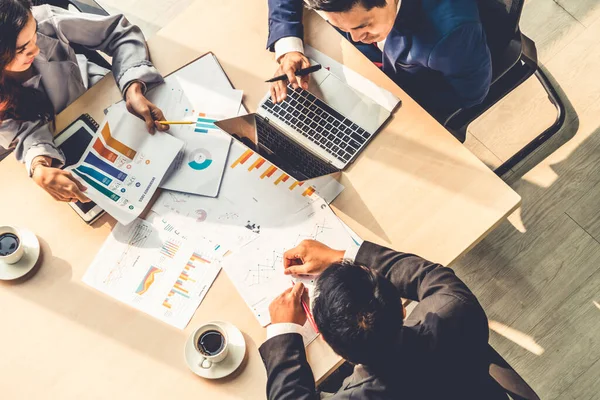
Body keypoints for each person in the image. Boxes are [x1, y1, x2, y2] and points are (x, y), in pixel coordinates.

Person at [260, 239, 508, 399]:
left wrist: (283, 331)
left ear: (324, 338)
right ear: (401, 308)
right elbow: (428, 275)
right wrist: (341, 256)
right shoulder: (455, 308)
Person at [0, 0, 169, 203]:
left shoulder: (45, 21)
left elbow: (119, 32)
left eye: (34, 32)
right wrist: (38, 165)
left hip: (95, 95)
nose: (36, 50)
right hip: (59, 142)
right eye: (21, 50)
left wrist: (132, 84)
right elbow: (20, 132)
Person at [267, 0, 492, 122]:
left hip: (409, 93)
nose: (355, 37)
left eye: (363, 25)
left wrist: (392, 105)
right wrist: (288, 48)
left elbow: (470, 93)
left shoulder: (449, 37)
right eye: (340, 26)